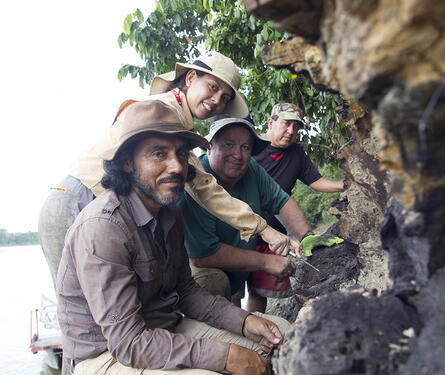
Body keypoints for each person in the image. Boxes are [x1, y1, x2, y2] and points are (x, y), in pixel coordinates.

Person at [57, 100, 291, 375]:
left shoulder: (169, 212)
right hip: (108, 353)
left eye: (181, 154)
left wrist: (244, 320)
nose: (177, 167)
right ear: (127, 163)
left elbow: (187, 292)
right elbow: (128, 342)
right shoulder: (103, 227)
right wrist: (222, 356)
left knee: (281, 336)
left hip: (163, 327)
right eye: (158, 154)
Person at [38, 51, 295, 288]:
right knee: (78, 301)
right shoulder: (163, 112)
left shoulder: (178, 119)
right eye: (213, 87)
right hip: (76, 200)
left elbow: (200, 185)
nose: (216, 100)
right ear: (191, 78)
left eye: (225, 97)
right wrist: (264, 229)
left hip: (101, 208)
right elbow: (204, 187)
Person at [179, 116, 312, 312]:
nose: (238, 155)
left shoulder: (251, 170)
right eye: (228, 145)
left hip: (239, 260)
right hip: (199, 273)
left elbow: (280, 201)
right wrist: (266, 262)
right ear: (209, 147)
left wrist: (308, 237)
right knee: (214, 281)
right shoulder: (192, 184)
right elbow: (202, 256)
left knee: (243, 299)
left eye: (245, 147)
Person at [249, 102, 345, 312]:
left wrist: (345, 186)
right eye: (286, 124)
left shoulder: (296, 154)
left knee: (260, 292)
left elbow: (315, 181)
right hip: (241, 232)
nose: (291, 131)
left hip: (274, 240)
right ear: (271, 123)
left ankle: (253, 335)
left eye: (296, 126)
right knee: (232, 290)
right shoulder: (250, 149)